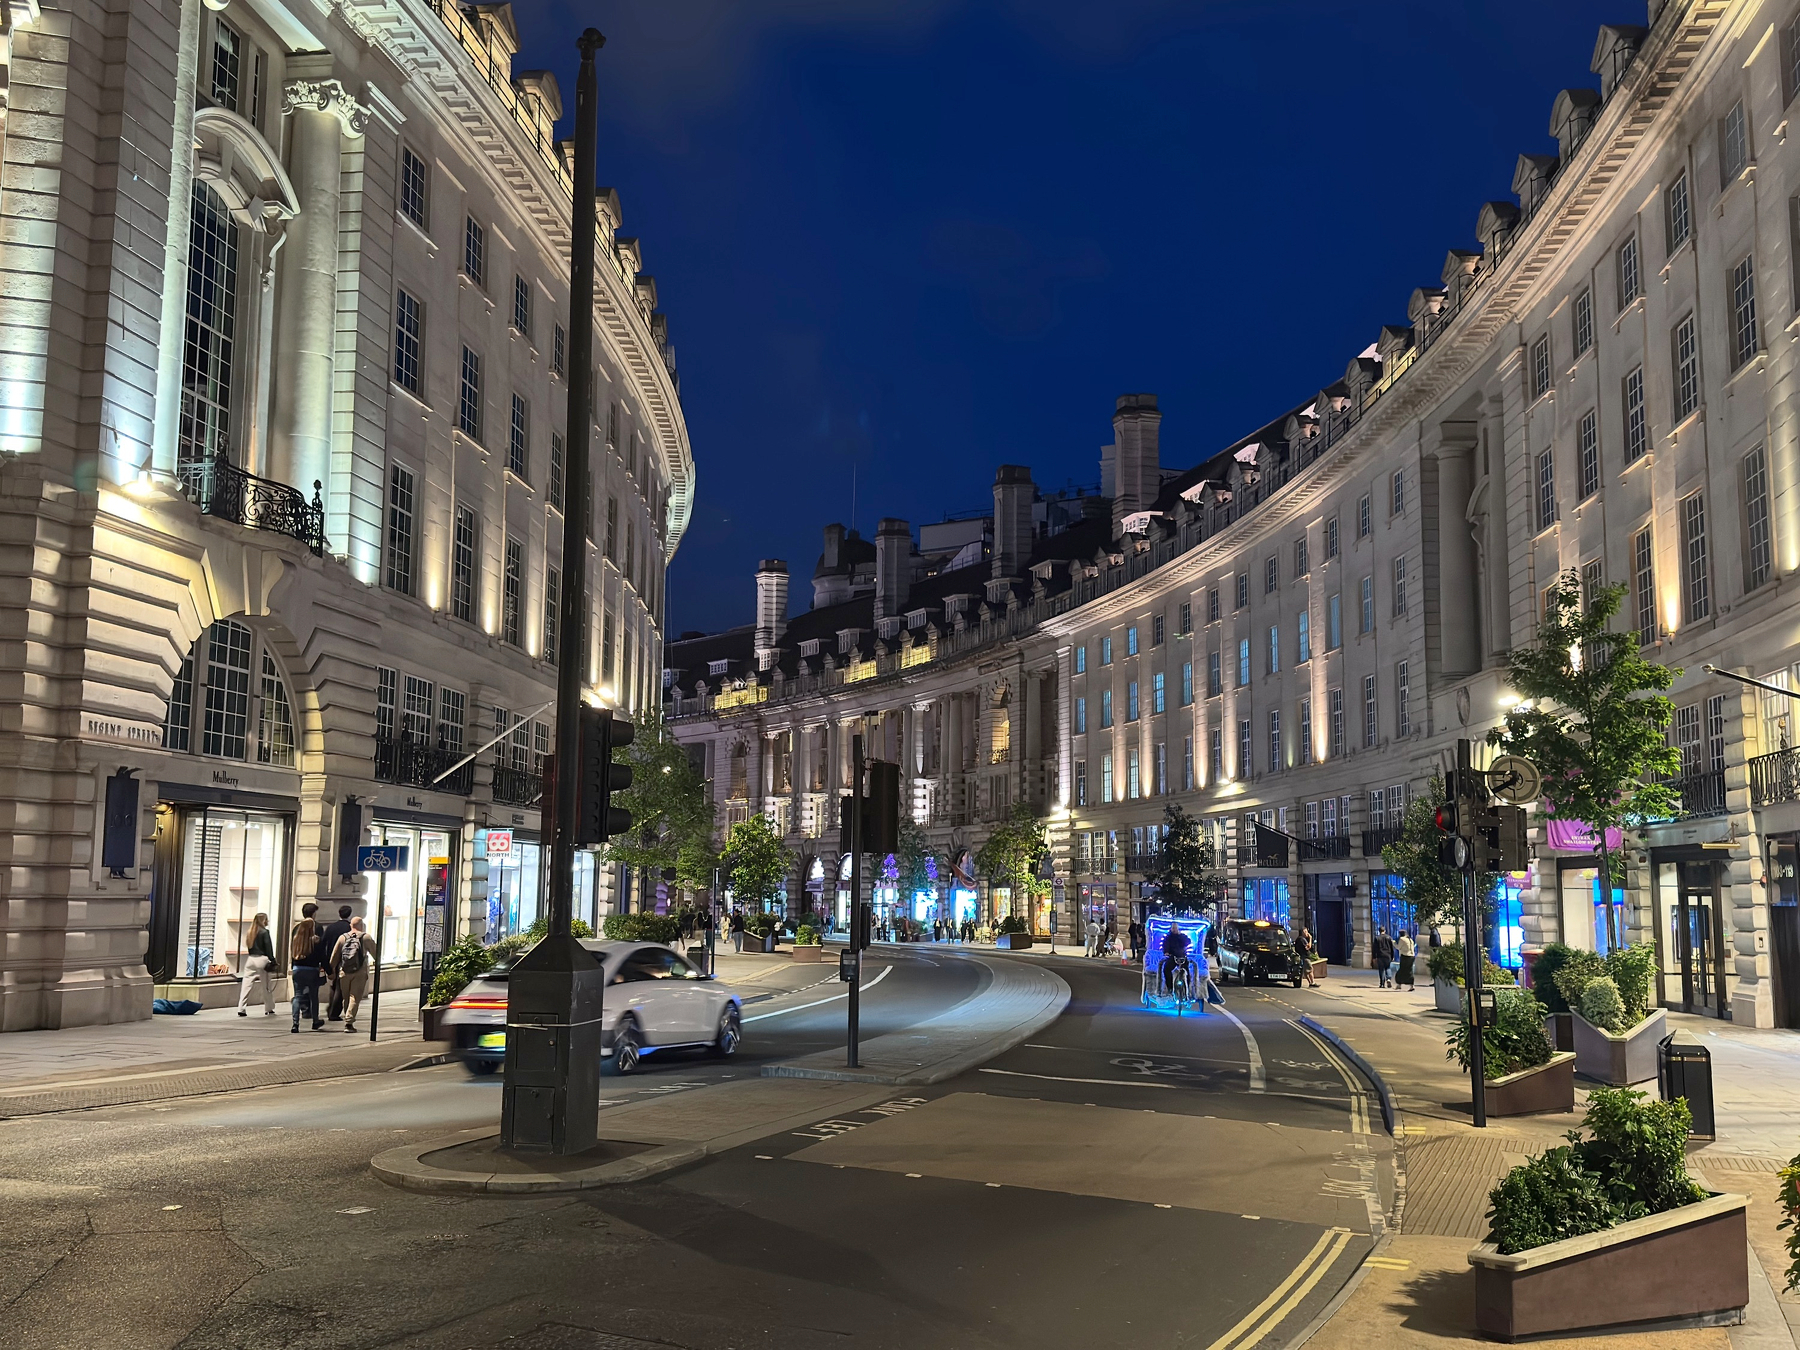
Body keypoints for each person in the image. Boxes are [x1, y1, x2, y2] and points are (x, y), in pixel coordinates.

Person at [331, 916, 375, 1033]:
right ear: (362, 925)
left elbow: (334, 957)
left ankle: (347, 1018)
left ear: (351, 925)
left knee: (346, 997)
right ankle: (349, 1022)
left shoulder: (342, 938)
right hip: (360, 971)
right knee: (354, 997)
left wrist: (331, 971)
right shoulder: (366, 937)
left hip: (344, 971)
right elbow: (376, 954)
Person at [289, 909, 326, 1032]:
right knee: (313, 996)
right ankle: (315, 1021)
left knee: (297, 996)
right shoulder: (315, 940)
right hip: (312, 970)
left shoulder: (296, 940)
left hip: (297, 969)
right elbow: (321, 955)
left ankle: (295, 1024)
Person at [237, 912, 277, 1016]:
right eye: (266, 919)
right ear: (263, 920)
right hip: (262, 959)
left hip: (250, 960)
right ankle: (269, 1008)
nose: (267, 921)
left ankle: (241, 1008)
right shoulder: (264, 932)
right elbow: (268, 948)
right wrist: (273, 960)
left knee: (246, 985)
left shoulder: (250, 932)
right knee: (266, 986)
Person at [317, 903, 353, 1021]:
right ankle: (334, 1012)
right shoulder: (349, 928)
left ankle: (331, 1007)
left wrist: (324, 963)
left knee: (334, 985)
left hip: (331, 960)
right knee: (340, 987)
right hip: (344, 960)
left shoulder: (331, 927)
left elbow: (323, 944)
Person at [1159, 924, 1193, 996]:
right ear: (1171, 929)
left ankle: (1188, 989)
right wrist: (1166, 952)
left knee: (1187, 972)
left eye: (1175, 928)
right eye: (1173, 928)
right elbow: (1165, 945)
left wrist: (1181, 936)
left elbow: (1188, 941)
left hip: (1182, 956)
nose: (1174, 929)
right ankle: (1170, 988)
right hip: (1172, 956)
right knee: (1166, 970)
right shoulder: (1168, 937)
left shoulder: (1182, 936)